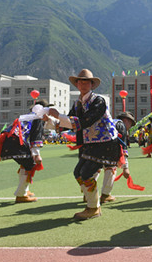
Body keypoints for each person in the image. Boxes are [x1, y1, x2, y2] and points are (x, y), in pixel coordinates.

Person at [48, 69, 126, 221]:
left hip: (106, 142)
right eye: (80, 81)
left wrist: (58, 116)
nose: (83, 84)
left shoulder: (99, 101)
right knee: (78, 172)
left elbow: (85, 121)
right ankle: (92, 201)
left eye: (86, 81)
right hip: (91, 143)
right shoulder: (78, 103)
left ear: (92, 85)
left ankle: (93, 207)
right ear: (77, 84)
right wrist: (51, 121)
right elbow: (69, 122)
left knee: (86, 173)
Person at [0, 99, 52, 203]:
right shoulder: (38, 117)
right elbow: (35, 138)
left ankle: (25, 190)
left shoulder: (28, 115)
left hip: (8, 140)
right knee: (31, 164)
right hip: (15, 141)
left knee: (25, 164)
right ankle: (21, 195)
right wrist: (37, 155)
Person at [100, 111, 136, 204]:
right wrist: (126, 168)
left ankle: (88, 195)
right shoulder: (121, 126)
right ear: (127, 121)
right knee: (111, 169)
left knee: (95, 171)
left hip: (97, 149)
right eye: (131, 124)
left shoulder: (111, 122)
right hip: (110, 151)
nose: (130, 127)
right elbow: (122, 147)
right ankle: (105, 195)